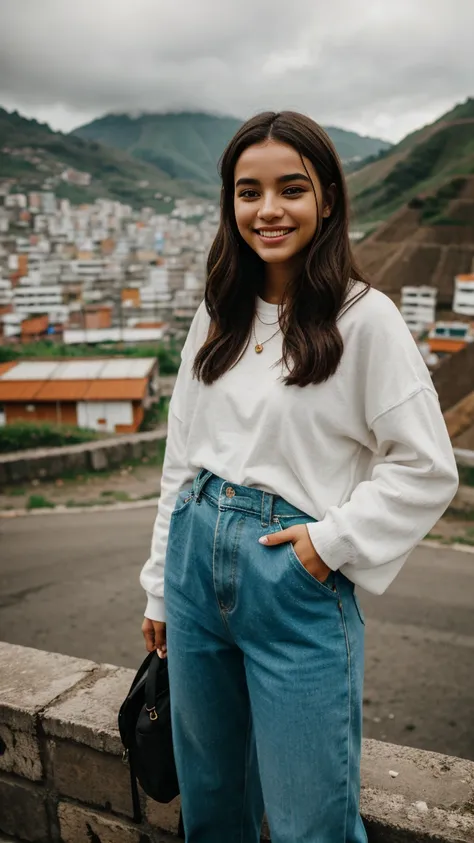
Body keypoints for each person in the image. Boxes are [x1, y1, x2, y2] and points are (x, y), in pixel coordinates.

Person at [140, 111, 459, 843]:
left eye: (291, 188)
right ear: (231, 205)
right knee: (212, 804)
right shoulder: (217, 311)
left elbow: (427, 465)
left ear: (327, 200)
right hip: (192, 571)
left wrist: (329, 542)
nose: (269, 209)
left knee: (310, 822)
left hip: (292, 575)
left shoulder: (365, 319)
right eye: (248, 192)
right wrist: (160, 582)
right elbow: (180, 455)